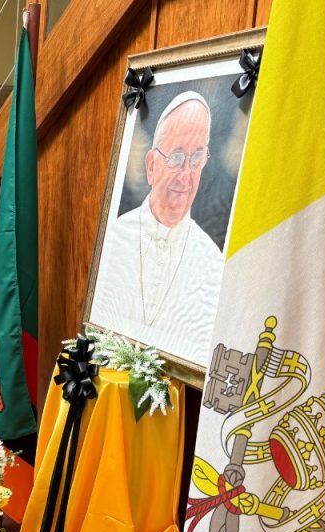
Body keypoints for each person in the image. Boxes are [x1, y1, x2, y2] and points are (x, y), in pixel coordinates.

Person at [91, 91, 225, 364]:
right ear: (151, 166)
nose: (186, 175)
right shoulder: (114, 238)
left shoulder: (213, 262)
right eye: (176, 158)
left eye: (197, 158)